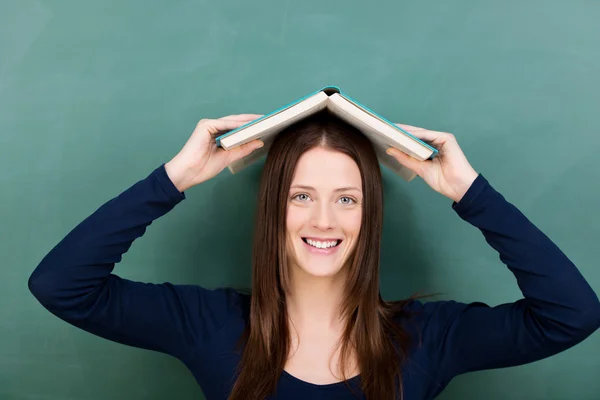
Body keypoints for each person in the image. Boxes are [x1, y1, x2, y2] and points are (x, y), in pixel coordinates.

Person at [29, 111, 600, 400]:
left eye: (346, 199)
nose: (322, 220)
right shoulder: (208, 325)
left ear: (368, 215)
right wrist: (178, 177)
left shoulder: (429, 336)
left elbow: (571, 314)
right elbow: (62, 285)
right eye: (301, 196)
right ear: (274, 208)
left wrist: (469, 191)